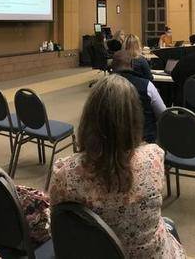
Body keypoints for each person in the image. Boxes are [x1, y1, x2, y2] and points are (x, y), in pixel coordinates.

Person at [49, 75, 184, 259]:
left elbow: (58, 220)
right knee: (169, 225)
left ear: (88, 118)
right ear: (135, 118)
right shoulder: (155, 157)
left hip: (92, 254)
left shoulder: (64, 172)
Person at [111, 51, 166, 143]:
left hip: (113, 142)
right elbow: (162, 114)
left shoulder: (102, 86)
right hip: (144, 140)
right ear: (132, 64)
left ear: (112, 66)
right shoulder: (147, 85)